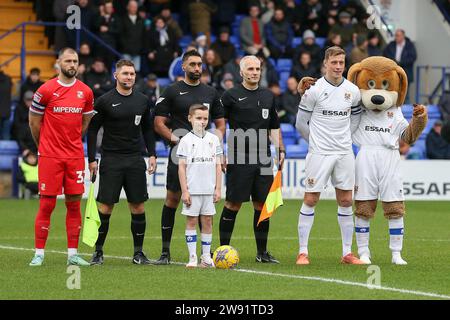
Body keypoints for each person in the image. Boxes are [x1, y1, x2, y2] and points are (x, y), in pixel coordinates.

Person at [154, 50, 226, 265]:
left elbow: (221, 125)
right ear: (183, 66)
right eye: (192, 64)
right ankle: (165, 252)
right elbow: (159, 122)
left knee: (206, 203)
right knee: (173, 199)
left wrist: (215, 145)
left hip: (206, 157)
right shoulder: (172, 91)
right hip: (181, 154)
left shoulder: (211, 93)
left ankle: (206, 251)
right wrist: (178, 142)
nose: (197, 68)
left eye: (199, 64)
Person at [295, 46, 364, 265]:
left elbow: (354, 120)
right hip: (319, 153)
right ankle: (303, 252)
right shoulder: (313, 90)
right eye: (333, 62)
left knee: (345, 200)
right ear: (325, 63)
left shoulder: (353, 91)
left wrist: (344, 139)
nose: (337, 67)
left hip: (344, 152)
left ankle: (346, 253)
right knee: (311, 199)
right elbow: (300, 123)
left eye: (341, 63)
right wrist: (315, 143)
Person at [28, 47, 95, 266]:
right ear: (58, 63)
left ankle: (72, 254)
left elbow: (85, 122)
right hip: (50, 156)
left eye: (75, 61)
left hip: (75, 156)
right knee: (47, 205)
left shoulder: (85, 92)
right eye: (68, 61)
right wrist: (44, 146)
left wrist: (72, 140)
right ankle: (39, 253)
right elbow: (34, 122)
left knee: (74, 205)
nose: (72, 65)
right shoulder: (45, 90)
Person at [87, 59, 157, 265]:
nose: (129, 77)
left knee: (138, 207)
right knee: (106, 207)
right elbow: (92, 130)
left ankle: (138, 254)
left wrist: (152, 154)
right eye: (125, 73)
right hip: (111, 160)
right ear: (116, 75)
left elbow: (147, 129)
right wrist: (92, 159)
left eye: (132, 74)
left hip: (135, 159)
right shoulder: (104, 101)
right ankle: (98, 253)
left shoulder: (143, 100)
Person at [219, 55, 285, 263]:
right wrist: (219, 151)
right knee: (233, 203)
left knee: (261, 204)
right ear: (241, 72)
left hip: (263, 157)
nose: (255, 72)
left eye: (257, 69)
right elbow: (220, 125)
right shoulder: (230, 95)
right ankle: (223, 250)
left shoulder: (268, 96)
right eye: (250, 69)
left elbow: (274, 126)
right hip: (239, 156)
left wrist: (280, 149)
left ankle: (262, 252)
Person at [177, 104, 222, 268]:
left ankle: (206, 257)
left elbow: (218, 165)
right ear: (190, 118)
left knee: (208, 221)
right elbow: (181, 167)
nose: (202, 122)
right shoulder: (185, 140)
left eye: (205, 118)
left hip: (209, 190)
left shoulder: (214, 139)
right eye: (198, 118)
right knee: (191, 221)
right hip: (193, 189)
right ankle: (192, 257)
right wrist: (185, 191)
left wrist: (218, 188)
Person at [383, 29, 417, 103]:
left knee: (405, 94)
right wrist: (393, 63)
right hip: (393, 73)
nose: (396, 37)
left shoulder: (409, 45)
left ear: (403, 36)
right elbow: (385, 55)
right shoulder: (391, 45)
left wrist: (401, 63)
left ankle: (405, 113)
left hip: (406, 72)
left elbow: (413, 57)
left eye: (398, 35)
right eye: (395, 35)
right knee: (393, 93)